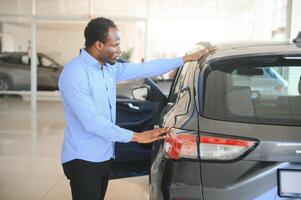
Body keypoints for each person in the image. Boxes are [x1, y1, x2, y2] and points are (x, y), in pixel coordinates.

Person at [58, 17, 213, 200]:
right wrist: (136, 136)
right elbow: (91, 122)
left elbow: (145, 69)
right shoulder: (75, 73)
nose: (119, 50)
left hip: (104, 155)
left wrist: (184, 59)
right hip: (83, 159)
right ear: (99, 45)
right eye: (115, 45)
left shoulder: (107, 68)